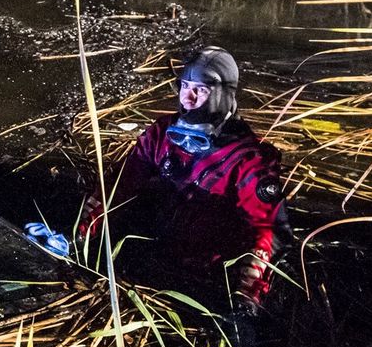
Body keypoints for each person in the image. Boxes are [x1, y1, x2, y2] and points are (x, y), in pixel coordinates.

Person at [79, 46, 290, 317]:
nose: (188, 98)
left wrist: (246, 296)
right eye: (185, 86)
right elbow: (120, 186)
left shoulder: (249, 159)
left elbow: (269, 231)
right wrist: (80, 233)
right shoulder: (160, 134)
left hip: (208, 274)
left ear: (225, 94)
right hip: (157, 253)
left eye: (200, 90)